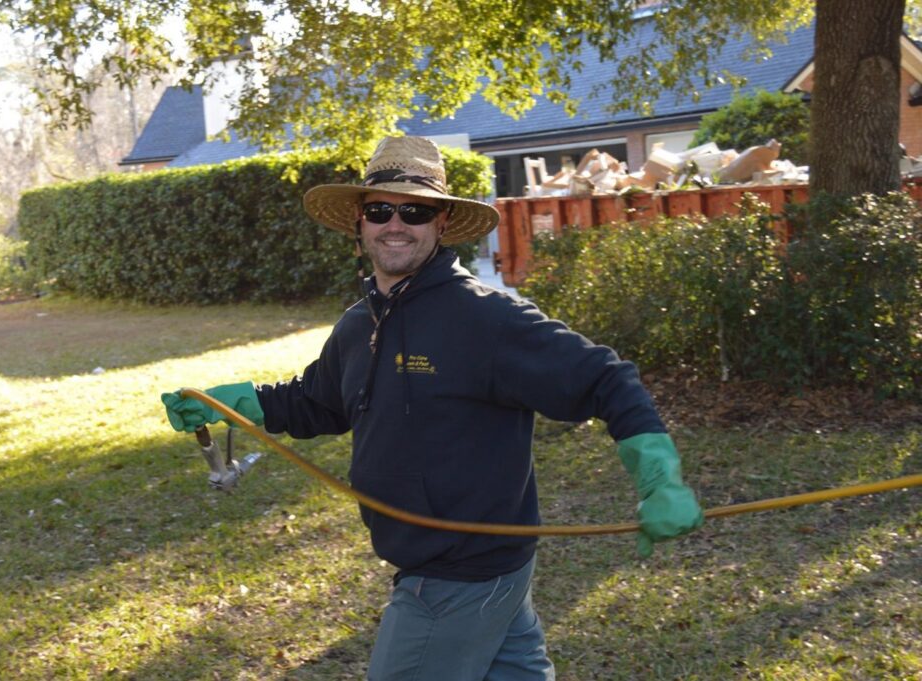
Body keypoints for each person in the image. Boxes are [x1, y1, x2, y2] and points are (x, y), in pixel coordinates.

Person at [161, 136, 703, 680]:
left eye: (415, 211)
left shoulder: (486, 319)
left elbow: (605, 378)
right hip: (484, 571)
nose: (395, 225)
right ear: (359, 223)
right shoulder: (359, 323)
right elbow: (317, 402)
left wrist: (660, 480)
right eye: (380, 210)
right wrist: (232, 403)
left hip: (457, 576)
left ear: (441, 223)